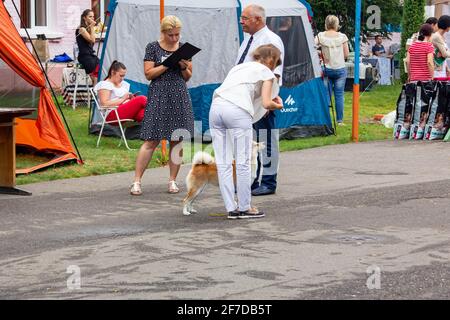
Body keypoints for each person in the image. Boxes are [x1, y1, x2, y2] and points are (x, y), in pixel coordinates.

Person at [210, 44, 283, 219]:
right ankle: (245, 207)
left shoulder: (239, 68)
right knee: (243, 161)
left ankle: (231, 208)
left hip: (216, 107)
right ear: (271, 60)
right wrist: (278, 104)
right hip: (237, 110)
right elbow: (266, 103)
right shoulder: (267, 73)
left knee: (224, 162)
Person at [130, 15, 194, 196]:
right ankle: (136, 181)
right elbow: (149, 74)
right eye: (171, 35)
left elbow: (188, 76)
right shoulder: (152, 47)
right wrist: (168, 63)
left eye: (177, 35)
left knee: (177, 139)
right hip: (159, 94)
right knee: (151, 139)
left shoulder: (184, 49)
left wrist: (182, 65)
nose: (174, 38)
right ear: (163, 32)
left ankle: (172, 181)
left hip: (179, 95)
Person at [236, 4, 285, 197]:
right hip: (245, 98)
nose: (242, 21)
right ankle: (252, 180)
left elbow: (274, 73)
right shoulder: (249, 38)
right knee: (251, 141)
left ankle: (269, 181)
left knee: (267, 139)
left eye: (245, 18)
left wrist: (269, 97)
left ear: (258, 19)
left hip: (261, 99)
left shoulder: (272, 40)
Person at [316, 15, 349, 126]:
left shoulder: (320, 36)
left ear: (326, 24)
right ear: (336, 24)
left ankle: (325, 119)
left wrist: (321, 54)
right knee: (339, 95)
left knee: (326, 94)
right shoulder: (342, 36)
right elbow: (346, 54)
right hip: (340, 69)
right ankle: (339, 121)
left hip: (326, 69)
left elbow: (312, 47)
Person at [76, 9, 100, 85]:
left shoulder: (88, 29)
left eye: (93, 17)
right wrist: (92, 27)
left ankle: (96, 90)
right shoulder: (81, 29)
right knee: (95, 74)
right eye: (90, 16)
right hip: (85, 56)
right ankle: (95, 90)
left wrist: (92, 28)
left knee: (101, 67)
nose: (92, 18)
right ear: (84, 17)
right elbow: (92, 40)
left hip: (91, 55)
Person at [431, 15, 450, 80]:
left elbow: (443, 54)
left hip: (441, 67)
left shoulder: (441, 36)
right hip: (437, 69)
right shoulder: (437, 37)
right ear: (447, 26)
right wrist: (444, 53)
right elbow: (445, 54)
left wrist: (447, 68)